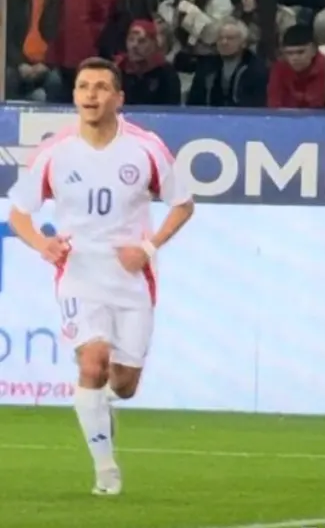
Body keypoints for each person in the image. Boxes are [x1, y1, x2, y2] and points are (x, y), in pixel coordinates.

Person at [6, 57, 195, 496]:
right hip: (78, 272)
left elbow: (183, 204)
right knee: (92, 363)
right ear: (74, 96)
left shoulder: (145, 147)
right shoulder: (55, 151)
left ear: (118, 97)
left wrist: (147, 248)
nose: (91, 95)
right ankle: (105, 470)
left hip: (132, 277)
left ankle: (106, 412)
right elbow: (19, 213)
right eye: (83, 86)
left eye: (101, 87)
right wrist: (43, 244)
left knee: (123, 384)